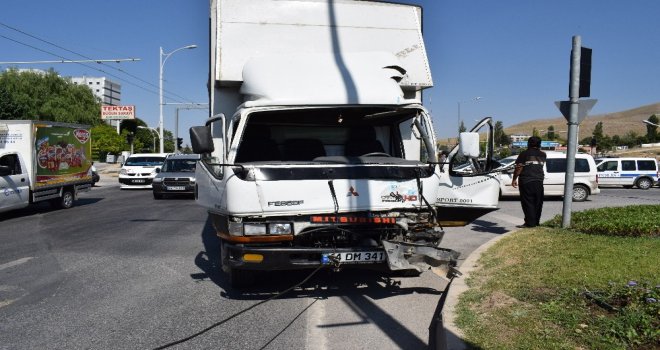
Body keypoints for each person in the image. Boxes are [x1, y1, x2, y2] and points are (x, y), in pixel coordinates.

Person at [511, 136, 546, 228]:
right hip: (539, 181)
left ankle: (530, 223)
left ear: (529, 143)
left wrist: (514, 179)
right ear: (539, 144)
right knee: (538, 202)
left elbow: (519, 168)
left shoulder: (524, 154)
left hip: (526, 181)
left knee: (528, 202)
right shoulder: (543, 154)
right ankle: (536, 222)